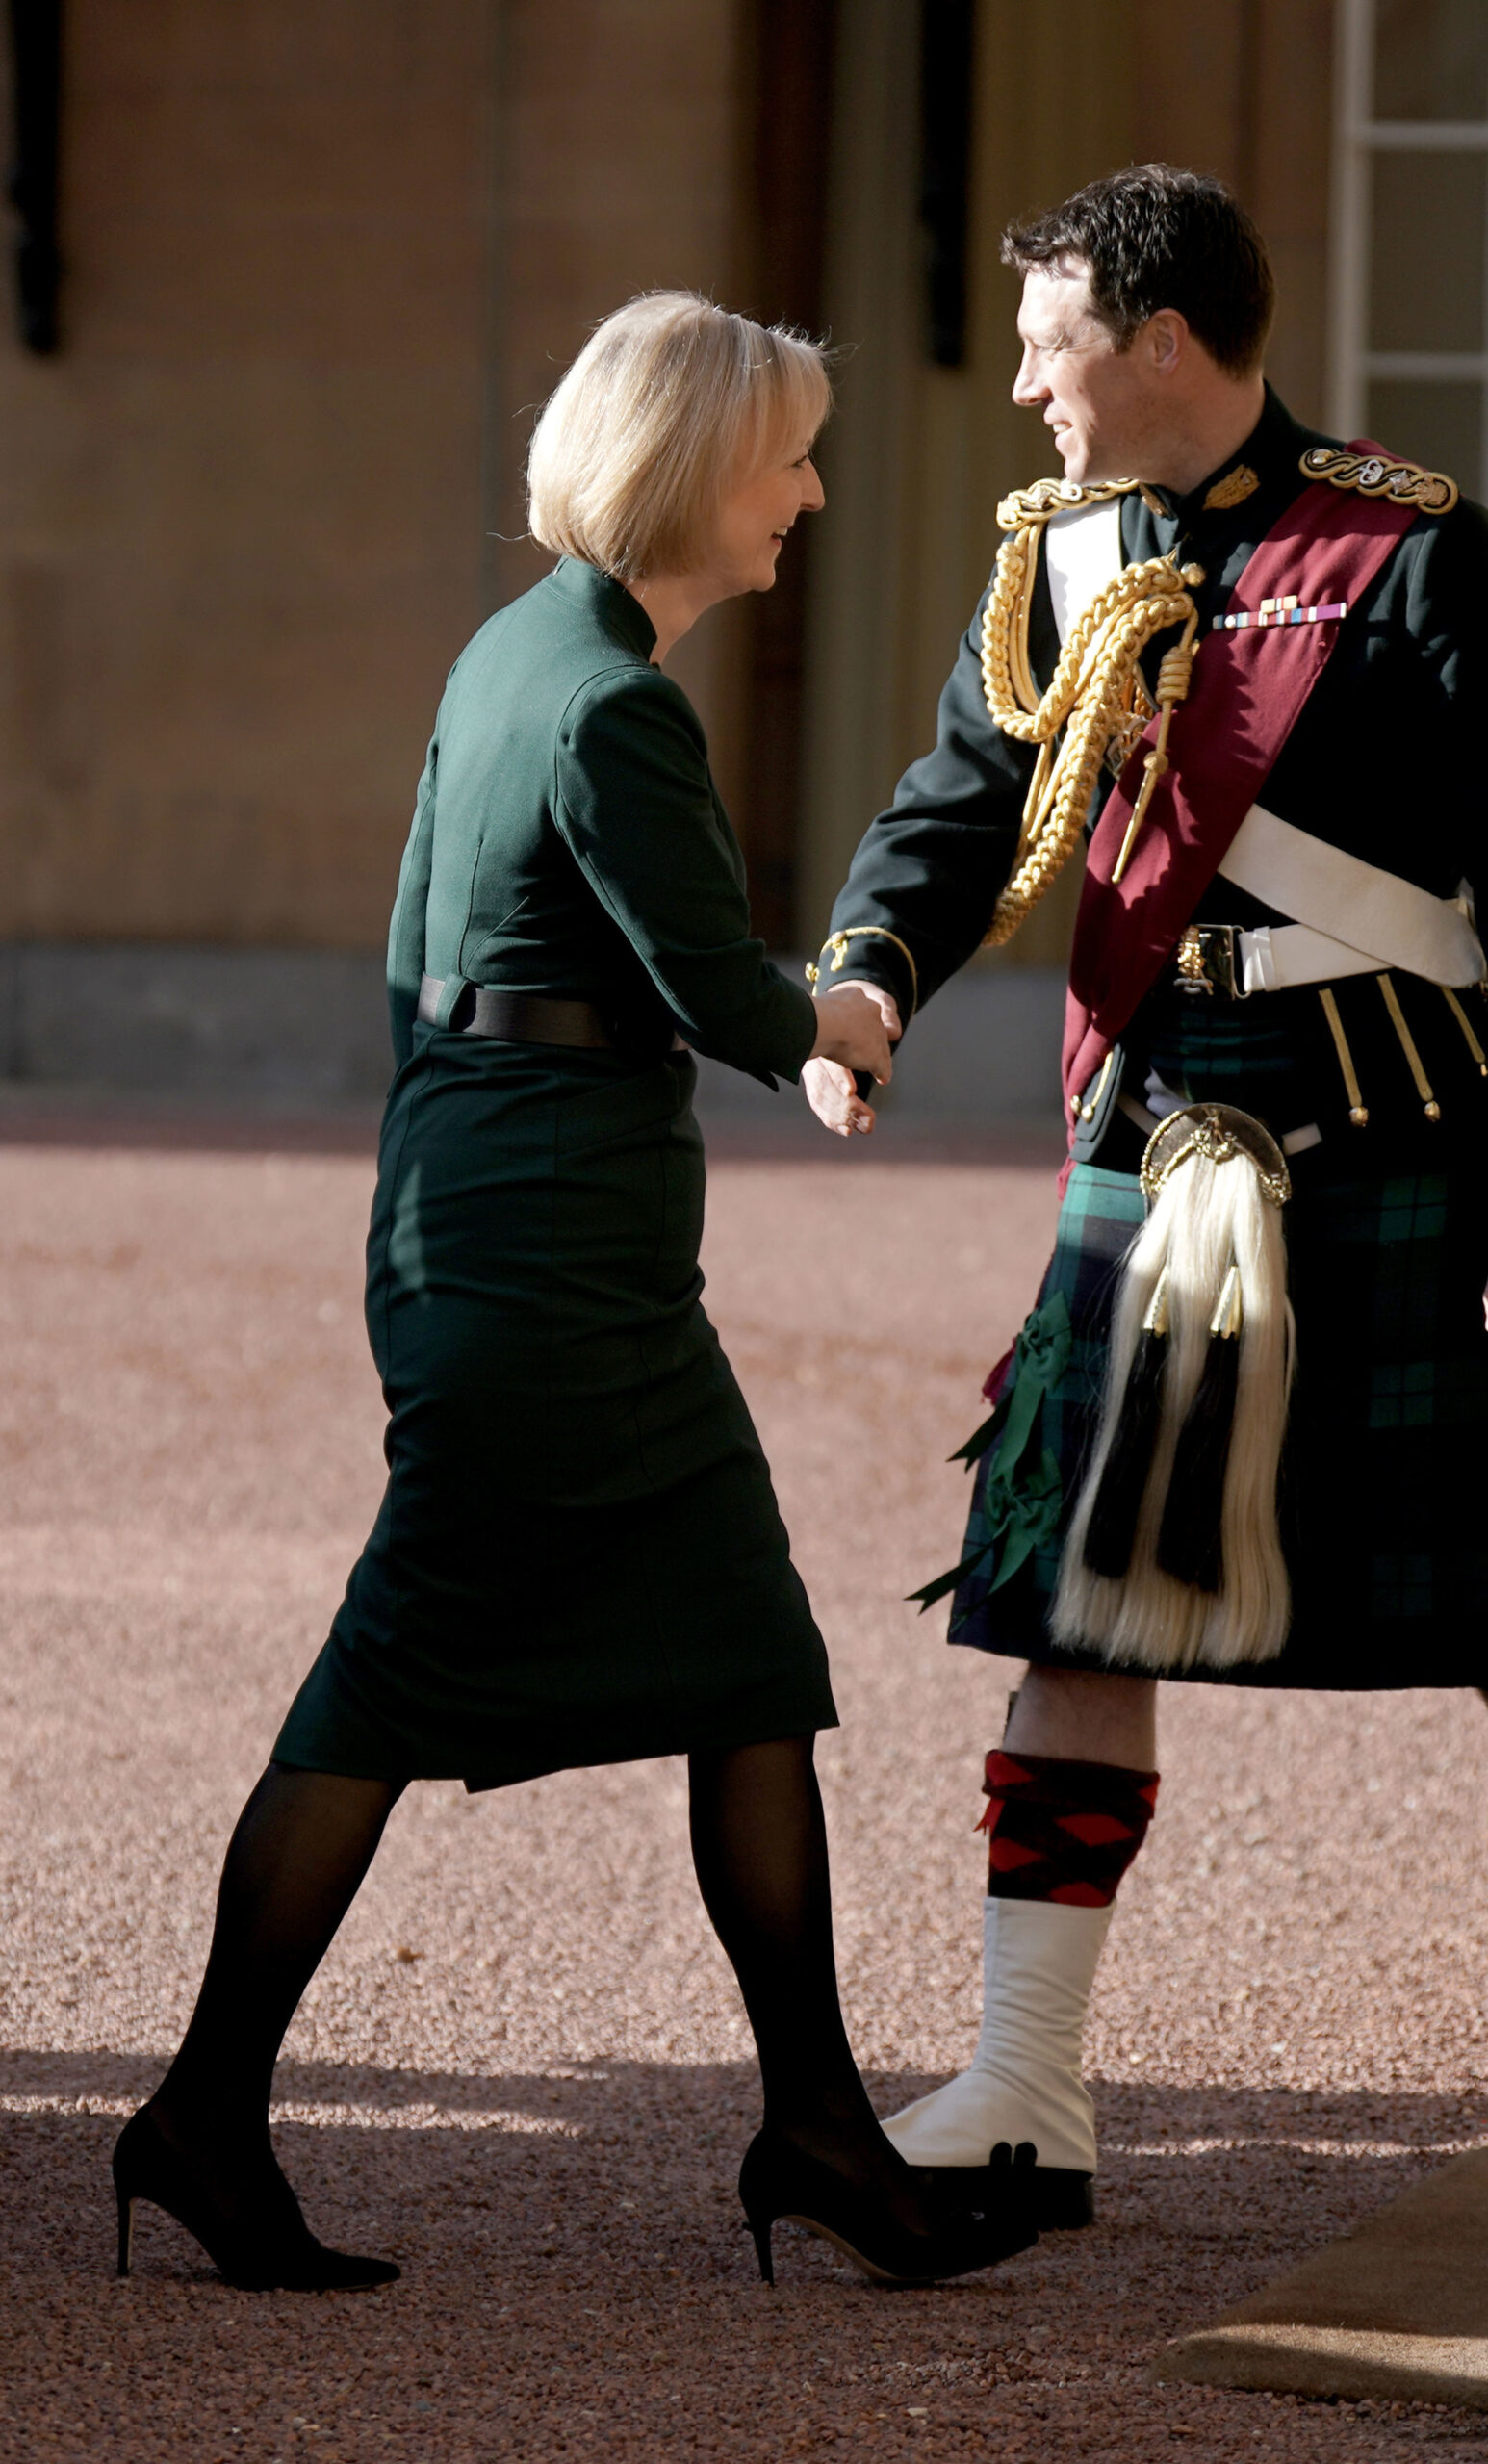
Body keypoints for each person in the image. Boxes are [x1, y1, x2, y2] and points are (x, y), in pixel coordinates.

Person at [115, 292, 1033, 2295]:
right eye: (787, 456)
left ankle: (811, 2124)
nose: (804, 493)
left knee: (746, 1663)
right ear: (702, 470)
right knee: (393, 1678)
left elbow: (465, 956)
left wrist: (760, 1027)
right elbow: (718, 986)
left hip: (505, 1228)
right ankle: (199, 2108)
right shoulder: (617, 699)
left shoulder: (512, 649)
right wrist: (840, 1017)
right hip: (553, 1273)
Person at [804, 169, 1488, 2241]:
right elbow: (957, 802)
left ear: (1163, 337)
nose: (1023, 382)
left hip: (1393, 1145)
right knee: (1064, 1602)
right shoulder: (1057, 557)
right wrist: (865, 979)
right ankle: (1023, 2087)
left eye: (1051, 340)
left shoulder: (1410, 549)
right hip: (1159, 1132)